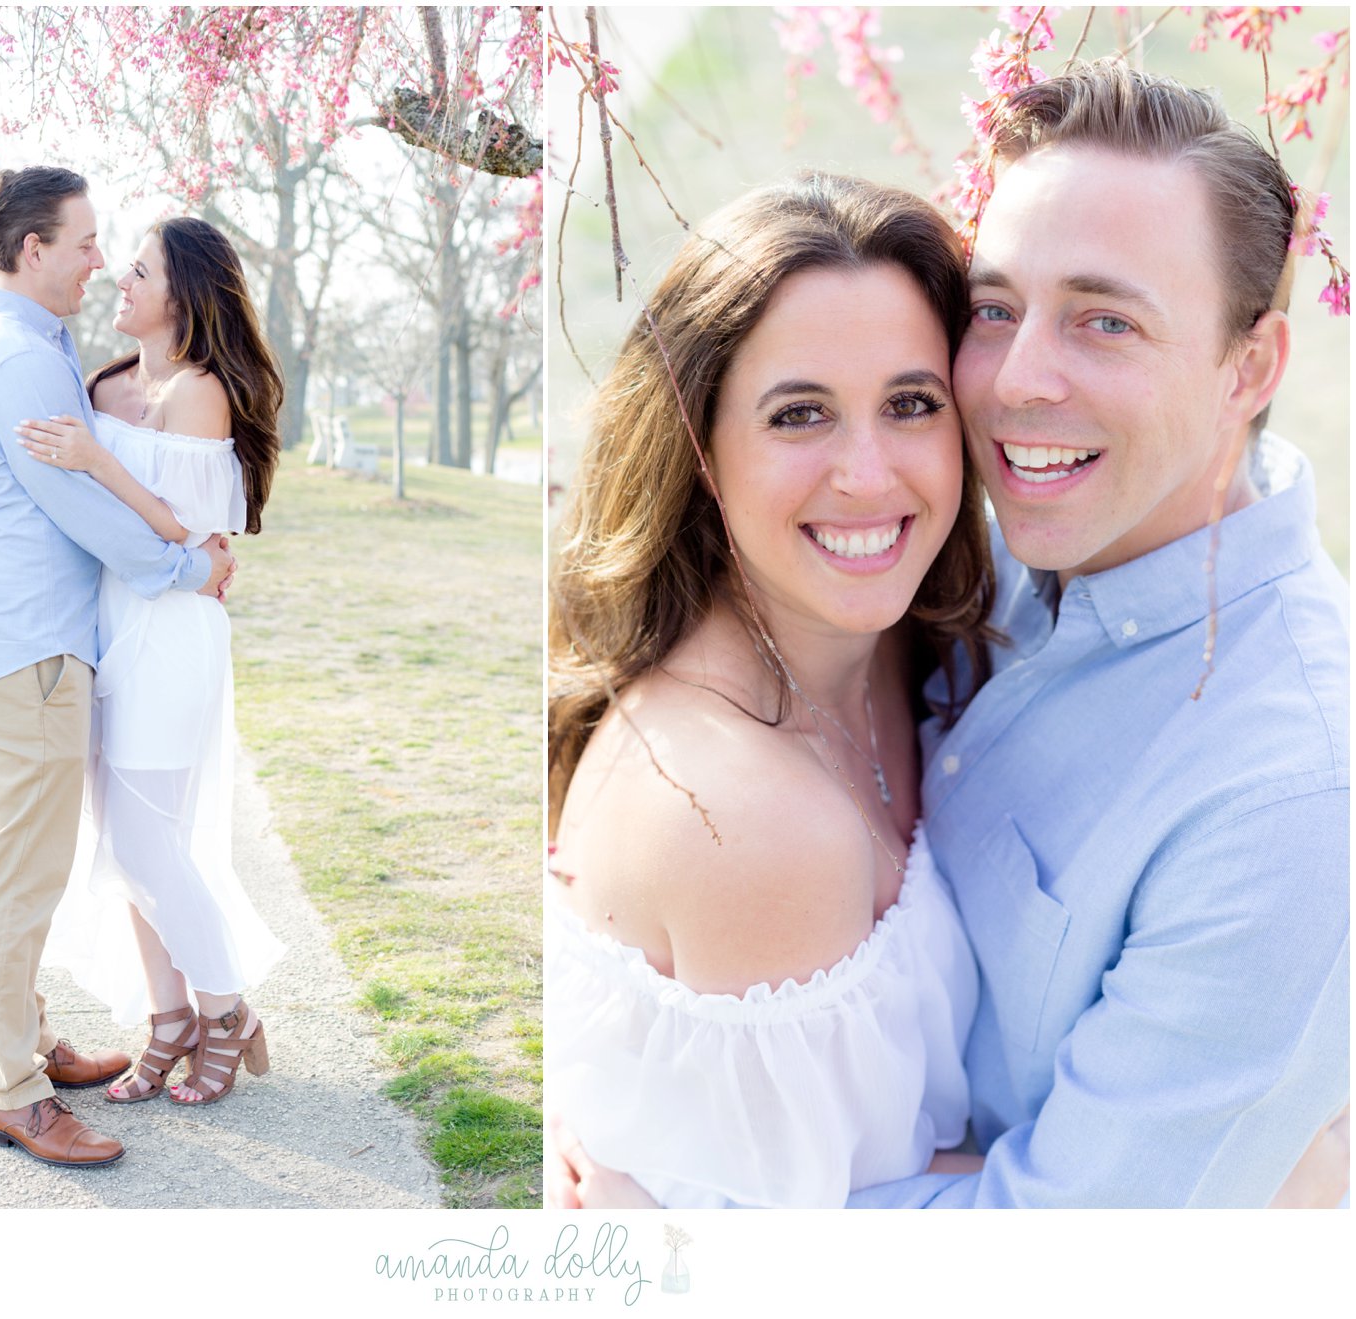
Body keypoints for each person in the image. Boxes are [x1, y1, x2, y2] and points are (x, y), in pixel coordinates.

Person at [553, 59, 1350, 1209]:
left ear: (1250, 367)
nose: (1017, 384)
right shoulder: (963, 553)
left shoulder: (1292, 799)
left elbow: (1062, 1259)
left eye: (1105, 320)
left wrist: (686, 1238)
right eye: (995, 309)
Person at [545, 171, 999, 1207]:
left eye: (911, 403)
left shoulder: (890, 636)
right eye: (800, 415)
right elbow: (853, 1243)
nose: (870, 474)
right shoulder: (744, 822)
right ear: (700, 447)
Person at [0, 167, 236, 1167]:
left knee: (29, 866)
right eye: (84, 241)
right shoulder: (21, 360)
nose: (97, 259)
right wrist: (189, 566)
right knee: (19, 877)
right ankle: (12, 1089)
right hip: (28, 654)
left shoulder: (33, 344)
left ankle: (24, 1042)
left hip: (33, 650)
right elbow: (81, 511)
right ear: (34, 251)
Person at [24, 217, 285, 1106]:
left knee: (147, 840)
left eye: (138, 269)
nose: (119, 280)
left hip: (172, 631)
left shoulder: (199, 393)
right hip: (105, 625)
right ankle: (166, 1019)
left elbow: (184, 528)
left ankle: (224, 1012)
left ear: (184, 294)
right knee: (125, 842)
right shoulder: (102, 383)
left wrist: (99, 458)